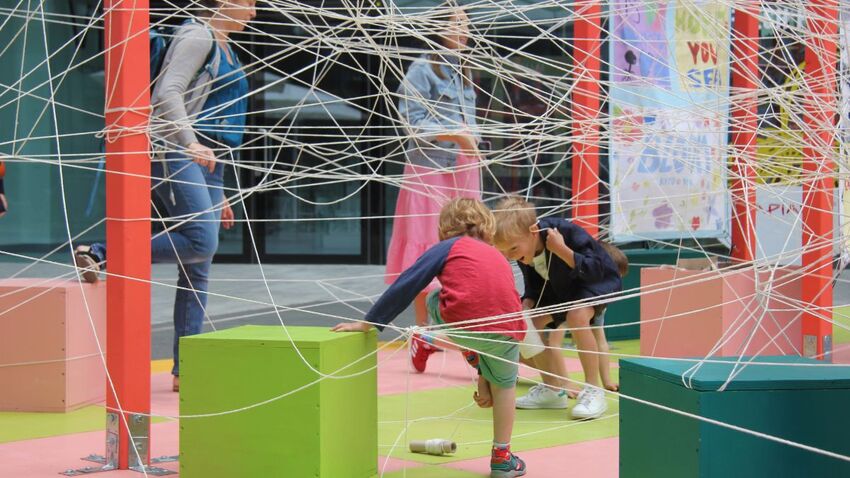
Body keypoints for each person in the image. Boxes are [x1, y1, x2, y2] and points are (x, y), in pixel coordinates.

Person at [74, 0, 256, 392]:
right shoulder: (198, 36)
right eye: (249, 4)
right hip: (177, 149)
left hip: (211, 159)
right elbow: (167, 93)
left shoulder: (227, 47)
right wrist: (189, 142)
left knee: (198, 265)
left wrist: (221, 193)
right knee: (201, 241)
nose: (254, 13)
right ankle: (102, 252)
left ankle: (184, 369)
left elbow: (221, 120)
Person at [333, 198, 527, 478]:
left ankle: (473, 357)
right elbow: (495, 299)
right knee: (506, 388)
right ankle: (502, 458)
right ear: (488, 227)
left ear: (444, 229)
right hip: (509, 329)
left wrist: (370, 322)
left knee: (435, 297)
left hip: (462, 323)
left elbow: (410, 281)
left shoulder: (448, 247)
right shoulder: (497, 255)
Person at [385, 1, 482, 364]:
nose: (464, 30)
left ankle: (460, 327)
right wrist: (456, 137)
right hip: (429, 169)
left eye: (466, 23)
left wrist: (472, 144)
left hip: (464, 168)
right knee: (426, 247)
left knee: (467, 245)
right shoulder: (422, 69)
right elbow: (411, 123)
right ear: (438, 28)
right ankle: (423, 332)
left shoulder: (465, 69)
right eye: (457, 23)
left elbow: (469, 123)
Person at [493, 196, 622, 420]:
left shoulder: (564, 232)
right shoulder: (525, 253)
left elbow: (596, 269)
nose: (511, 256)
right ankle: (553, 389)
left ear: (533, 231)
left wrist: (562, 250)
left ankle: (593, 389)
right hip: (561, 293)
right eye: (505, 252)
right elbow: (534, 285)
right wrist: (528, 301)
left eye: (513, 248)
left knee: (577, 315)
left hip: (596, 284)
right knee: (529, 324)